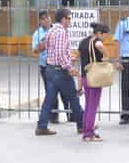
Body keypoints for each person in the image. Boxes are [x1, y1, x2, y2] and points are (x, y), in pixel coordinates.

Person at [35, 8, 83, 136]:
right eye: (68, 18)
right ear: (63, 19)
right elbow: (61, 53)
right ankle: (82, 125)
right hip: (60, 71)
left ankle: (42, 126)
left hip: (50, 69)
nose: (70, 21)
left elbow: (54, 51)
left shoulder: (51, 31)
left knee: (49, 99)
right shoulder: (61, 32)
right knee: (73, 97)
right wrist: (69, 67)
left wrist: (70, 57)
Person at [32, 10, 69, 123]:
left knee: (66, 92)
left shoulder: (59, 30)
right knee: (51, 93)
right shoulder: (38, 33)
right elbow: (35, 50)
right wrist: (43, 43)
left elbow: (64, 48)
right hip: (46, 66)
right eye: (43, 18)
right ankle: (53, 116)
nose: (46, 20)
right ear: (40, 21)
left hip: (61, 65)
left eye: (47, 17)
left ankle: (71, 115)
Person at [78, 22, 110, 142]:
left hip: (85, 77)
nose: (105, 38)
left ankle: (86, 129)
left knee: (88, 105)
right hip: (95, 77)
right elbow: (100, 46)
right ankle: (89, 134)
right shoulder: (96, 41)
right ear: (99, 33)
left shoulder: (83, 42)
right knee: (93, 106)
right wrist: (107, 55)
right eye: (105, 35)